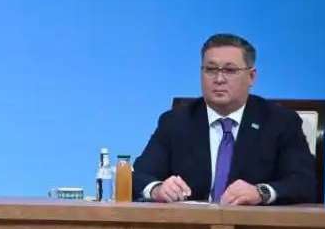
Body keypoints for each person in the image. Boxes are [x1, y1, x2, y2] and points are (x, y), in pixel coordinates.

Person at [133, 33, 315, 205]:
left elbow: (303, 182)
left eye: (230, 70)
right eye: (210, 70)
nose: (219, 79)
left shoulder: (280, 121)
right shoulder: (176, 121)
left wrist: (261, 192)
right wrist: (157, 189)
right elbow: (139, 175)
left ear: (251, 76)